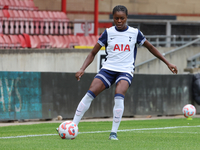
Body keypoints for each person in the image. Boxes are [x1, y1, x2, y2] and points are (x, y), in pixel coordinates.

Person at [72, 5, 178, 140]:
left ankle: (113, 133)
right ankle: (73, 126)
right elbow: (93, 52)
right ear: (113, 19)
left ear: (126, 18)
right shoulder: (108, 32)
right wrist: (82, 68)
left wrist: (168, 63)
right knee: (90, 93)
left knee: (119, 94)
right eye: (116, 18)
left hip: (125, 71)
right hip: (108, 69)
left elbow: (150, 47)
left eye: (122, 18)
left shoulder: (135, 33)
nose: (119, 21)